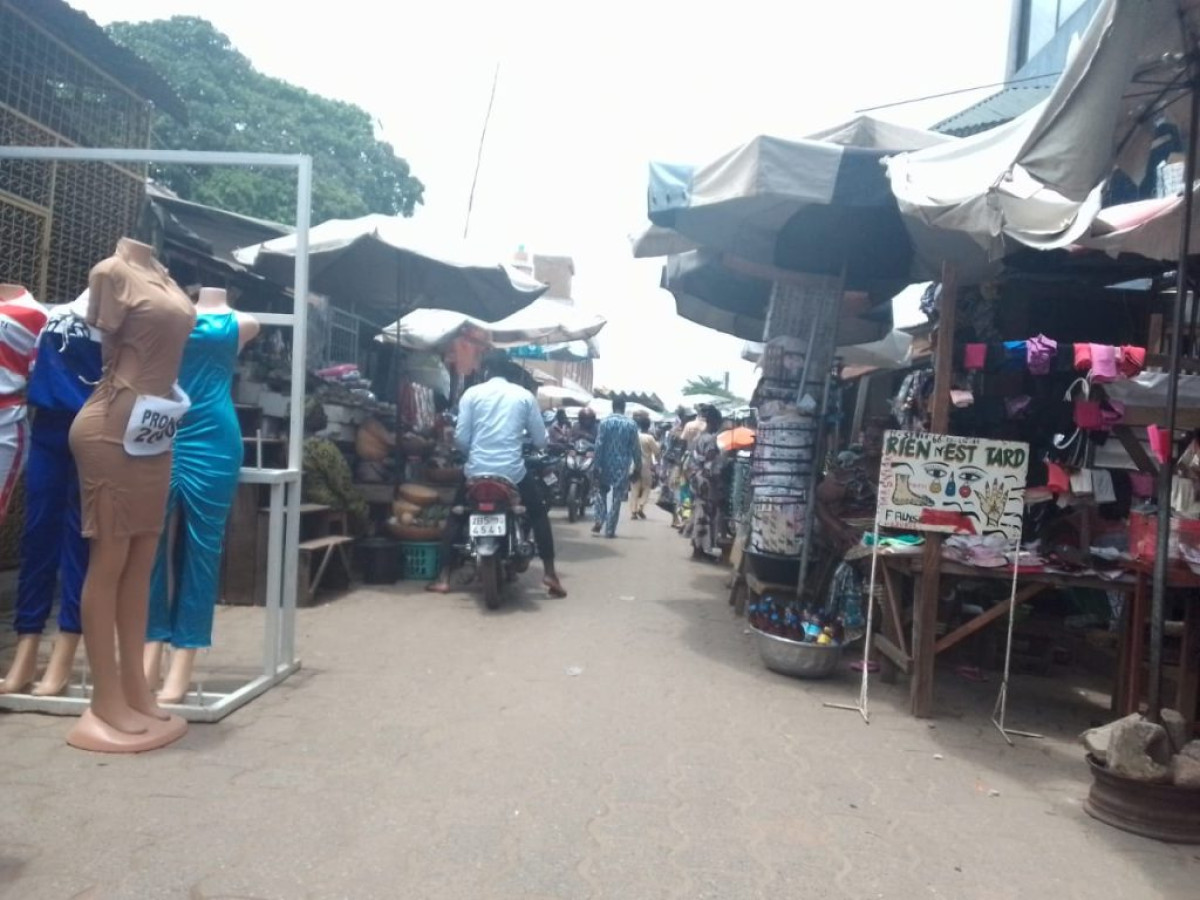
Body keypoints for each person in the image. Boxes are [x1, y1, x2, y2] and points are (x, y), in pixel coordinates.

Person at [427, 351, 565, 597]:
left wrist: (473, 452)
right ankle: (550, 573)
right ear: (511, 373)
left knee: (456, 516)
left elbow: (460, 439)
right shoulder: (524, 396)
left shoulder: (471, 394)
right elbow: (541, 441)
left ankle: (444, 577)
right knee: (538, 514)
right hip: (513, 472)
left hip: (476, 471)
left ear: (486, 371)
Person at [591, 398, 641, 538]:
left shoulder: (604, 422)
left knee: (601, 491)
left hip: (605, 463)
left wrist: (596, 465)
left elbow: (599, 444)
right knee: (617, 496)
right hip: (622, 465)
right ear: (624, 408)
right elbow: (636, 448)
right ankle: (610, 529)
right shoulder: (631, 425)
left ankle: (599, 519)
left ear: (613, 407)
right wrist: (638, 466)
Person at [686, 406, 727, 560]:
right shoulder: (710, 440)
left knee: (699, 513)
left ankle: (700, 549)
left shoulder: (699, 438)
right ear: (715, 422)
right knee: (704, 516)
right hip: (705, 481)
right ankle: (698, 551)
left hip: (696, 479)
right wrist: (718, 485)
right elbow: (709, 465)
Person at [630, 414, 660, 521]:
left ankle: (633, 511)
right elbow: (657, 451)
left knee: (634, 489)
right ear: (648, 426)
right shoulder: (649, 438)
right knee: (647, 487)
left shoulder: (634, 435)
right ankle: (640, 506)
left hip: (634, 465)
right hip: (646, 466)